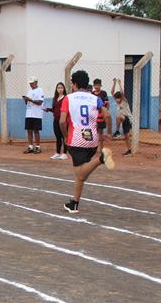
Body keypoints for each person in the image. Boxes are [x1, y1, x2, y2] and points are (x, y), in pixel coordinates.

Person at [60, 70, 115, 213]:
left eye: (72, 83)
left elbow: (61, 122)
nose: (71, 85)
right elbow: (107, 115)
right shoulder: (94, 98)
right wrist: (109, 132)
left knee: (80, 173)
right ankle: (74, 203)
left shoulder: (68, 98)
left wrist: (65, 136)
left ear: (76, 84)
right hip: (92, 140)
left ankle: (101, 159)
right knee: (82, 172)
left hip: (76, 139)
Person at [44, 82, 68, 160]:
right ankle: (57, 153)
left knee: (64, 137)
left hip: (63, 121)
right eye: (58, 88)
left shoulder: (66, 98)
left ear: (64, 89)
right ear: (56, 89)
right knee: (58, 137)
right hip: (56, 120)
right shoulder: (55, 98)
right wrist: (47, 109)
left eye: (61, 88)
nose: (60, 89)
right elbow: (54, 110)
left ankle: (64, 153)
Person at [111, 78, 134, 155]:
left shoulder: (124, 101)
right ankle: (129, 150)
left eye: (118, 98)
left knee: (118, 116)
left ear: (121, 98)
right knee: (126, 136)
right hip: (124, 120)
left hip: (128, 118)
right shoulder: (117, 102)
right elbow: (112, 92)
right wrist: (114, 83)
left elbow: (122, 93)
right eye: (116, 99)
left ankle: (117, 131)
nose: (117, 100)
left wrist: (119, 84)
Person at [22, 76, 44, 153]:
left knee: (36, 130)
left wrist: (30, 99)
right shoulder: (29, 91)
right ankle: (30, 146)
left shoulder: (40, 90)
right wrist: (26, 100)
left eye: (32, 83)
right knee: (29, 130)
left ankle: (38, 147)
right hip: (28, 114)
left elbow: (40, 102)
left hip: (36, 114)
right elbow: (27, 103)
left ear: (36, 82)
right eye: (30, 83)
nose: (31, 84)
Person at [91, 78, 109, 143]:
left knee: (100, 132)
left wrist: (105, 113)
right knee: (94, 132)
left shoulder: (103, 93)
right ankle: (94, 146)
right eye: (95, 85)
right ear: (93, 86)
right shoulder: (92, 94)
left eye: (98, 85)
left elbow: (107, 104)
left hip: (101, 115)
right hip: (94, 116)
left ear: (101, 85)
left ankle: (100, 149)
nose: (96, 87)